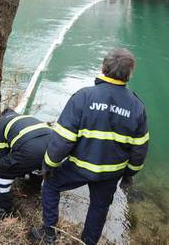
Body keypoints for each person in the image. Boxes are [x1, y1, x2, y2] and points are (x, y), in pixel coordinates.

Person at [30, 48, 149, 244]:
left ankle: (48, 232)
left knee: (50, 185)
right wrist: (129, 174)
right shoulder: (137, 107)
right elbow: (139, 150)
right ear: (129, 74)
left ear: (103, 67)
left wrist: (49, 164)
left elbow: (63, 139)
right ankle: (88, 241)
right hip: (111, 173)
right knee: (99, 207)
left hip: (79, 167)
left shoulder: (84, 97)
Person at [0, 108, 51, 216]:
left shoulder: (0, 123)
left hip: (32, 150)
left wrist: (11, 171)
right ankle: (34, 187)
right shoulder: (27, 117)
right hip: (54, 147)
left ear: (2, 116)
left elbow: (1, 154)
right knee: (36, 162)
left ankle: (4, 208)